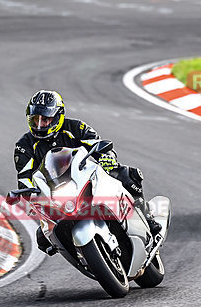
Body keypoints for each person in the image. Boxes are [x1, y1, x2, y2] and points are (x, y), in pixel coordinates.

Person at [9, 90, 161, 255]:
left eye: (45, 119)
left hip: (85, 177)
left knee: (127, 175)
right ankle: (81, 254)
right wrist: (31, 195)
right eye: (35, 120)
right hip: (54, 195)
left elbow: (99, 145)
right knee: (43, 238)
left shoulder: (76, 127)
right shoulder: (24, 146)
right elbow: (24, 178)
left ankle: (147, 218)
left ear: (58, 116)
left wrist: (107, 158)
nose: (40, 125)